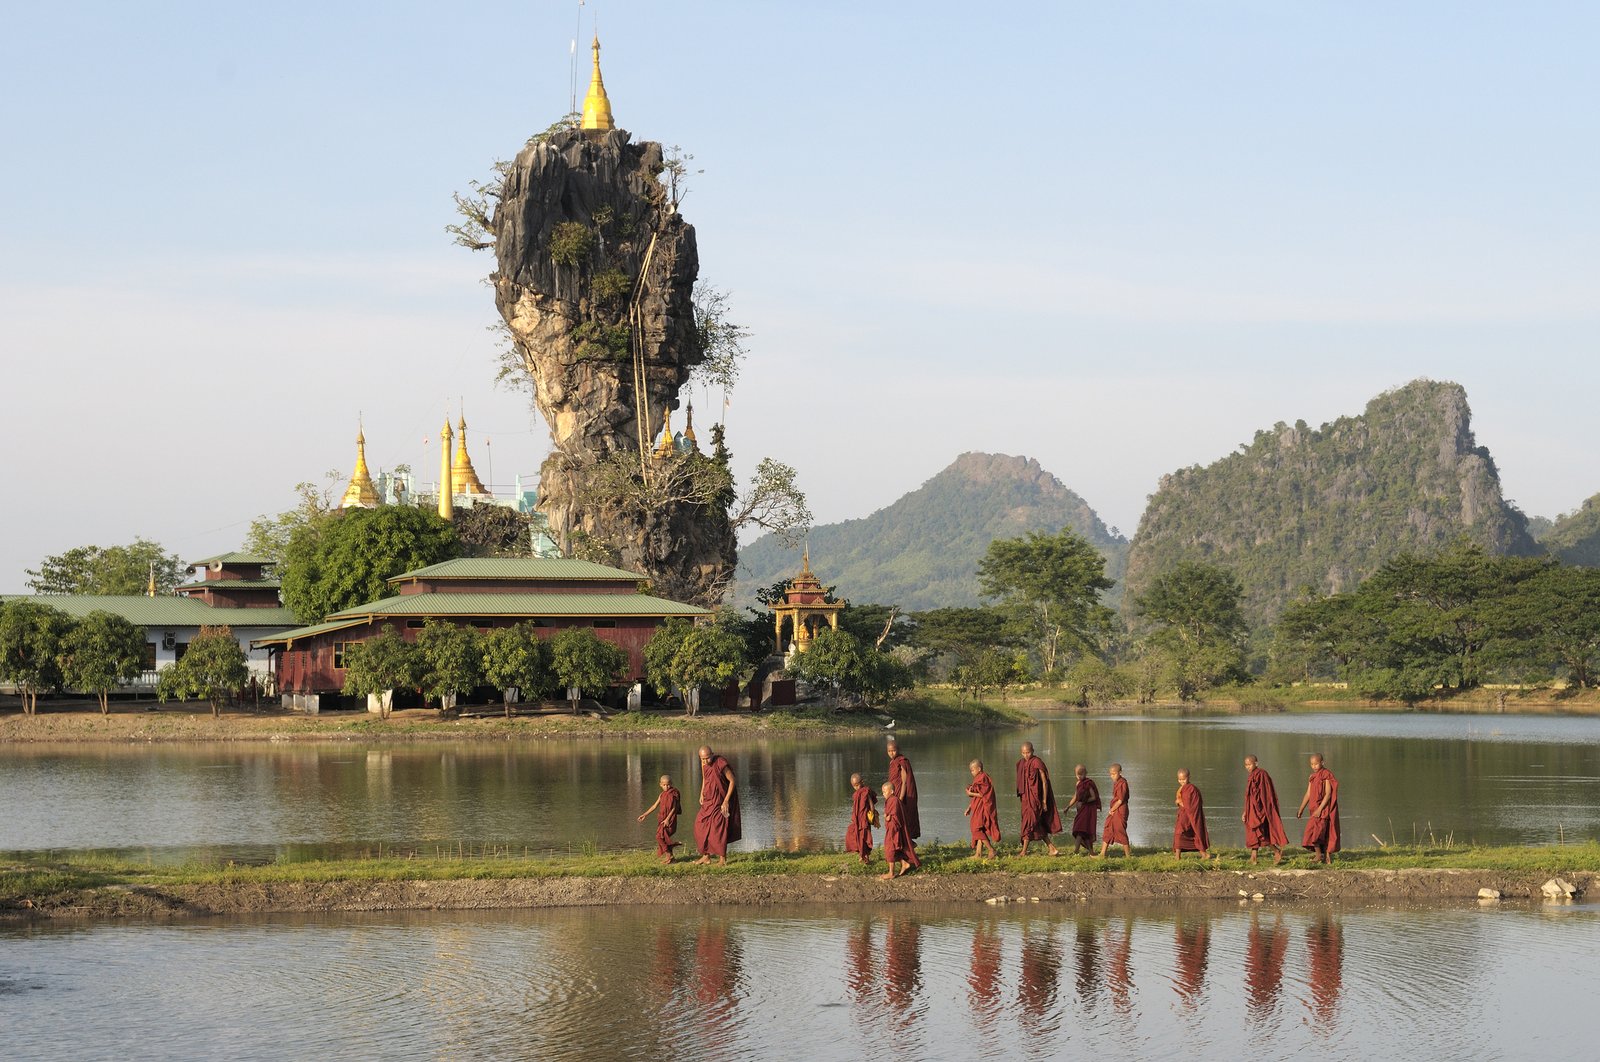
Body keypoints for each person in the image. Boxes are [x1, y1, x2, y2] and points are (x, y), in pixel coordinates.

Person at [693, 745, 741, 866]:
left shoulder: (720, 762)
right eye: (702, 759)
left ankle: (722, 859)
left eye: (707, 758)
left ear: (712, 754)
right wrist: (701, 793)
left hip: (720, 801)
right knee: (700, 825)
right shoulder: (704, 764)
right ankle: (706, 856)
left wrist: (726, 801)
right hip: (708, 800)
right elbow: (705, 779)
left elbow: (732, 781)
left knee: (718, 829)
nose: (705, 761)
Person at [1015, 741, 1063, 857]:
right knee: (1037, 825)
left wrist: (1044, 800)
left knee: (1029, 823)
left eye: (1028, 752)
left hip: (1036, 799)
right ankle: (1052, 848)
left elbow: (1044, 782)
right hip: (1026, 799)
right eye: (1024, 753)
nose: (1026, 755)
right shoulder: (1021, 763)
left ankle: (1023, 852)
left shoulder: (1037, 762)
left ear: (1033, 751)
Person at [1241, 755, 1288, 864]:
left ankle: (1276, 851)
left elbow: (1266, 793)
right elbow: (1249, 796)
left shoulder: (1262, 774)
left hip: (1261, 810)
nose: (1247, 767)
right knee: (1254, 833)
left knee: (1261, 833)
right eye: (1246, 765)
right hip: (1252, 809)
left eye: (1250, 764)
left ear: (1256, 763)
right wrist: (1245, 811)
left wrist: (1264, 810)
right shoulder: (1251, 776)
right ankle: (1254, 857)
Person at [1297, 753, 1341, 864]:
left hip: (1322, 810)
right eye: (1312, 764)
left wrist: (1320, 809)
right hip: (1314, 810)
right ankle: (1323, 856)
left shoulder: (1326, 775)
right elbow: (1308, 794)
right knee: (1313, 832)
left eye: (1316, 764)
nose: (1314, 766)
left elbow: (1328, 794)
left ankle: (1319, 856)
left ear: (1322, 762)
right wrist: (1301, 808)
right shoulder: (1312, 777)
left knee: (1315, 834)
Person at [636, 773, 681, 864]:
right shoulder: (662, 795)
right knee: (663, 837)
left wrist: (668, 819)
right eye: (664, 785)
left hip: (670, 819)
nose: (666, 787)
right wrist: (644, 814)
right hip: (662, 819)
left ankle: (670, 854)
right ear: (660, 784)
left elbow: (674, 808)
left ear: (671, 783)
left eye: (668, 784)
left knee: (659, 837)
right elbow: (654, 806)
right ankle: (671, 857)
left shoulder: (673, 794)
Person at [880, 780, 920, 879]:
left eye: (885, 791)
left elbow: (895, 817)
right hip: (892, 828)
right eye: (883, 792)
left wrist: (888, 818)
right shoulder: (891, 800)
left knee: (890, 848)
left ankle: (891, 873)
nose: (883, 793)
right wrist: (886, 816)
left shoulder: (894, 800)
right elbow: (889, 813)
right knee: (892, 848)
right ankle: (904, 863)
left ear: (892, 791)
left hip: (894, 829)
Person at [886, 738, 921, 845]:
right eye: (889, 751)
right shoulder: (893, 762)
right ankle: (902, 843)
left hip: (903, 796)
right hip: (895, 794)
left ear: (898, 750)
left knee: (902, 819)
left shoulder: (902, 761)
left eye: (894, 750)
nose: (891, 753)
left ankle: (908, 843)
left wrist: (900, 799)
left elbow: (905, 782)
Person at [964, 759, 1000, 859]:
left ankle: (991, 850)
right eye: (970, 770)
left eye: (972, 770)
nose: (971, 772)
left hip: (984, 807)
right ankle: (978, 854)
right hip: (977, 806)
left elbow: (984, 794)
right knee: (980, 829)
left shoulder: (983, 777)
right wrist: (969, 807)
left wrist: (971, 794)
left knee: (975, 828)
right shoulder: (978, 778)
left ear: (979, 769)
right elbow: (977, 796)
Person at [1172, 768, 1210, 860]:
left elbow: (1189, 804)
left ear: (1188, 777)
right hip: (1183, 814)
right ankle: (1203, 854)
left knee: (1179, 833)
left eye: (1184, 779)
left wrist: (1179, 802)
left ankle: (1178, 857)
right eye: (1180, 779)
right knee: (1188, 834)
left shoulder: (1191, 789)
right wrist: (1178, 802)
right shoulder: (1182, 788)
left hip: (1189, 815)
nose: (1182, 781)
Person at [1096, 763, 1132, 859]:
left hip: (1120, 809)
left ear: (1120, 772)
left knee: (1120, 830)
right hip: (1115, 809)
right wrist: (1112, 810)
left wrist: (1112, 809)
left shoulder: (1122, 783)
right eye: (1111, 774)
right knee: (1108, 828)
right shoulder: (1117, 782)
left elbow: (1120, 800)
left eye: (1114, 774)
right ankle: (1102, 854)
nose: (1112, 776)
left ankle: (1128, 856)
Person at [1064, 763, 1101, 855]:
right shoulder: (1078, 784)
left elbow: (1094, 797)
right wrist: (1068, 807)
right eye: (1078, 774)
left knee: (1081, 830)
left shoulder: (1088, 783)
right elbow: (1076, 796)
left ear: (1086, 773)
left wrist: (1084, 801)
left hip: (1088, 810)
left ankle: (1076, 851)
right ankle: (1091, 852)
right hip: (1081, 811)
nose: (1080, 776)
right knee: (1080, 829)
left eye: (1082, 774)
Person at [844, 771, 877, 864]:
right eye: (854, 786)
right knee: (855, 835)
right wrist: (853, 817)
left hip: (864, 820)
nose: (856, 787)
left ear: (862, 782)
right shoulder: (856, 794)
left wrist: (872, 816)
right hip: (857, 820)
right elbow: (856, 807)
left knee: (865, 837)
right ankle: (861, 855)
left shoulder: (865, 791)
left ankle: (866, 857)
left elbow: (871, 804)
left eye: (857, 785)